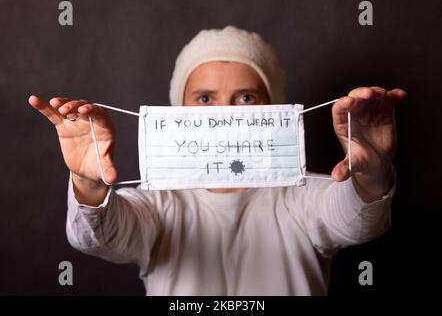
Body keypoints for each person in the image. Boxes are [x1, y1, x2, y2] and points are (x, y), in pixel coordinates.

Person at [28, 26, 406, 295]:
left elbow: (358, 221)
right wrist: (89, 184)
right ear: (179, 109)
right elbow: (99, 236)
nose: (226, 113)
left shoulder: (303, 194)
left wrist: (372, 173)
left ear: (271, 108)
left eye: (245, 98)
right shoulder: (160, 202)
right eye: (205, 99)